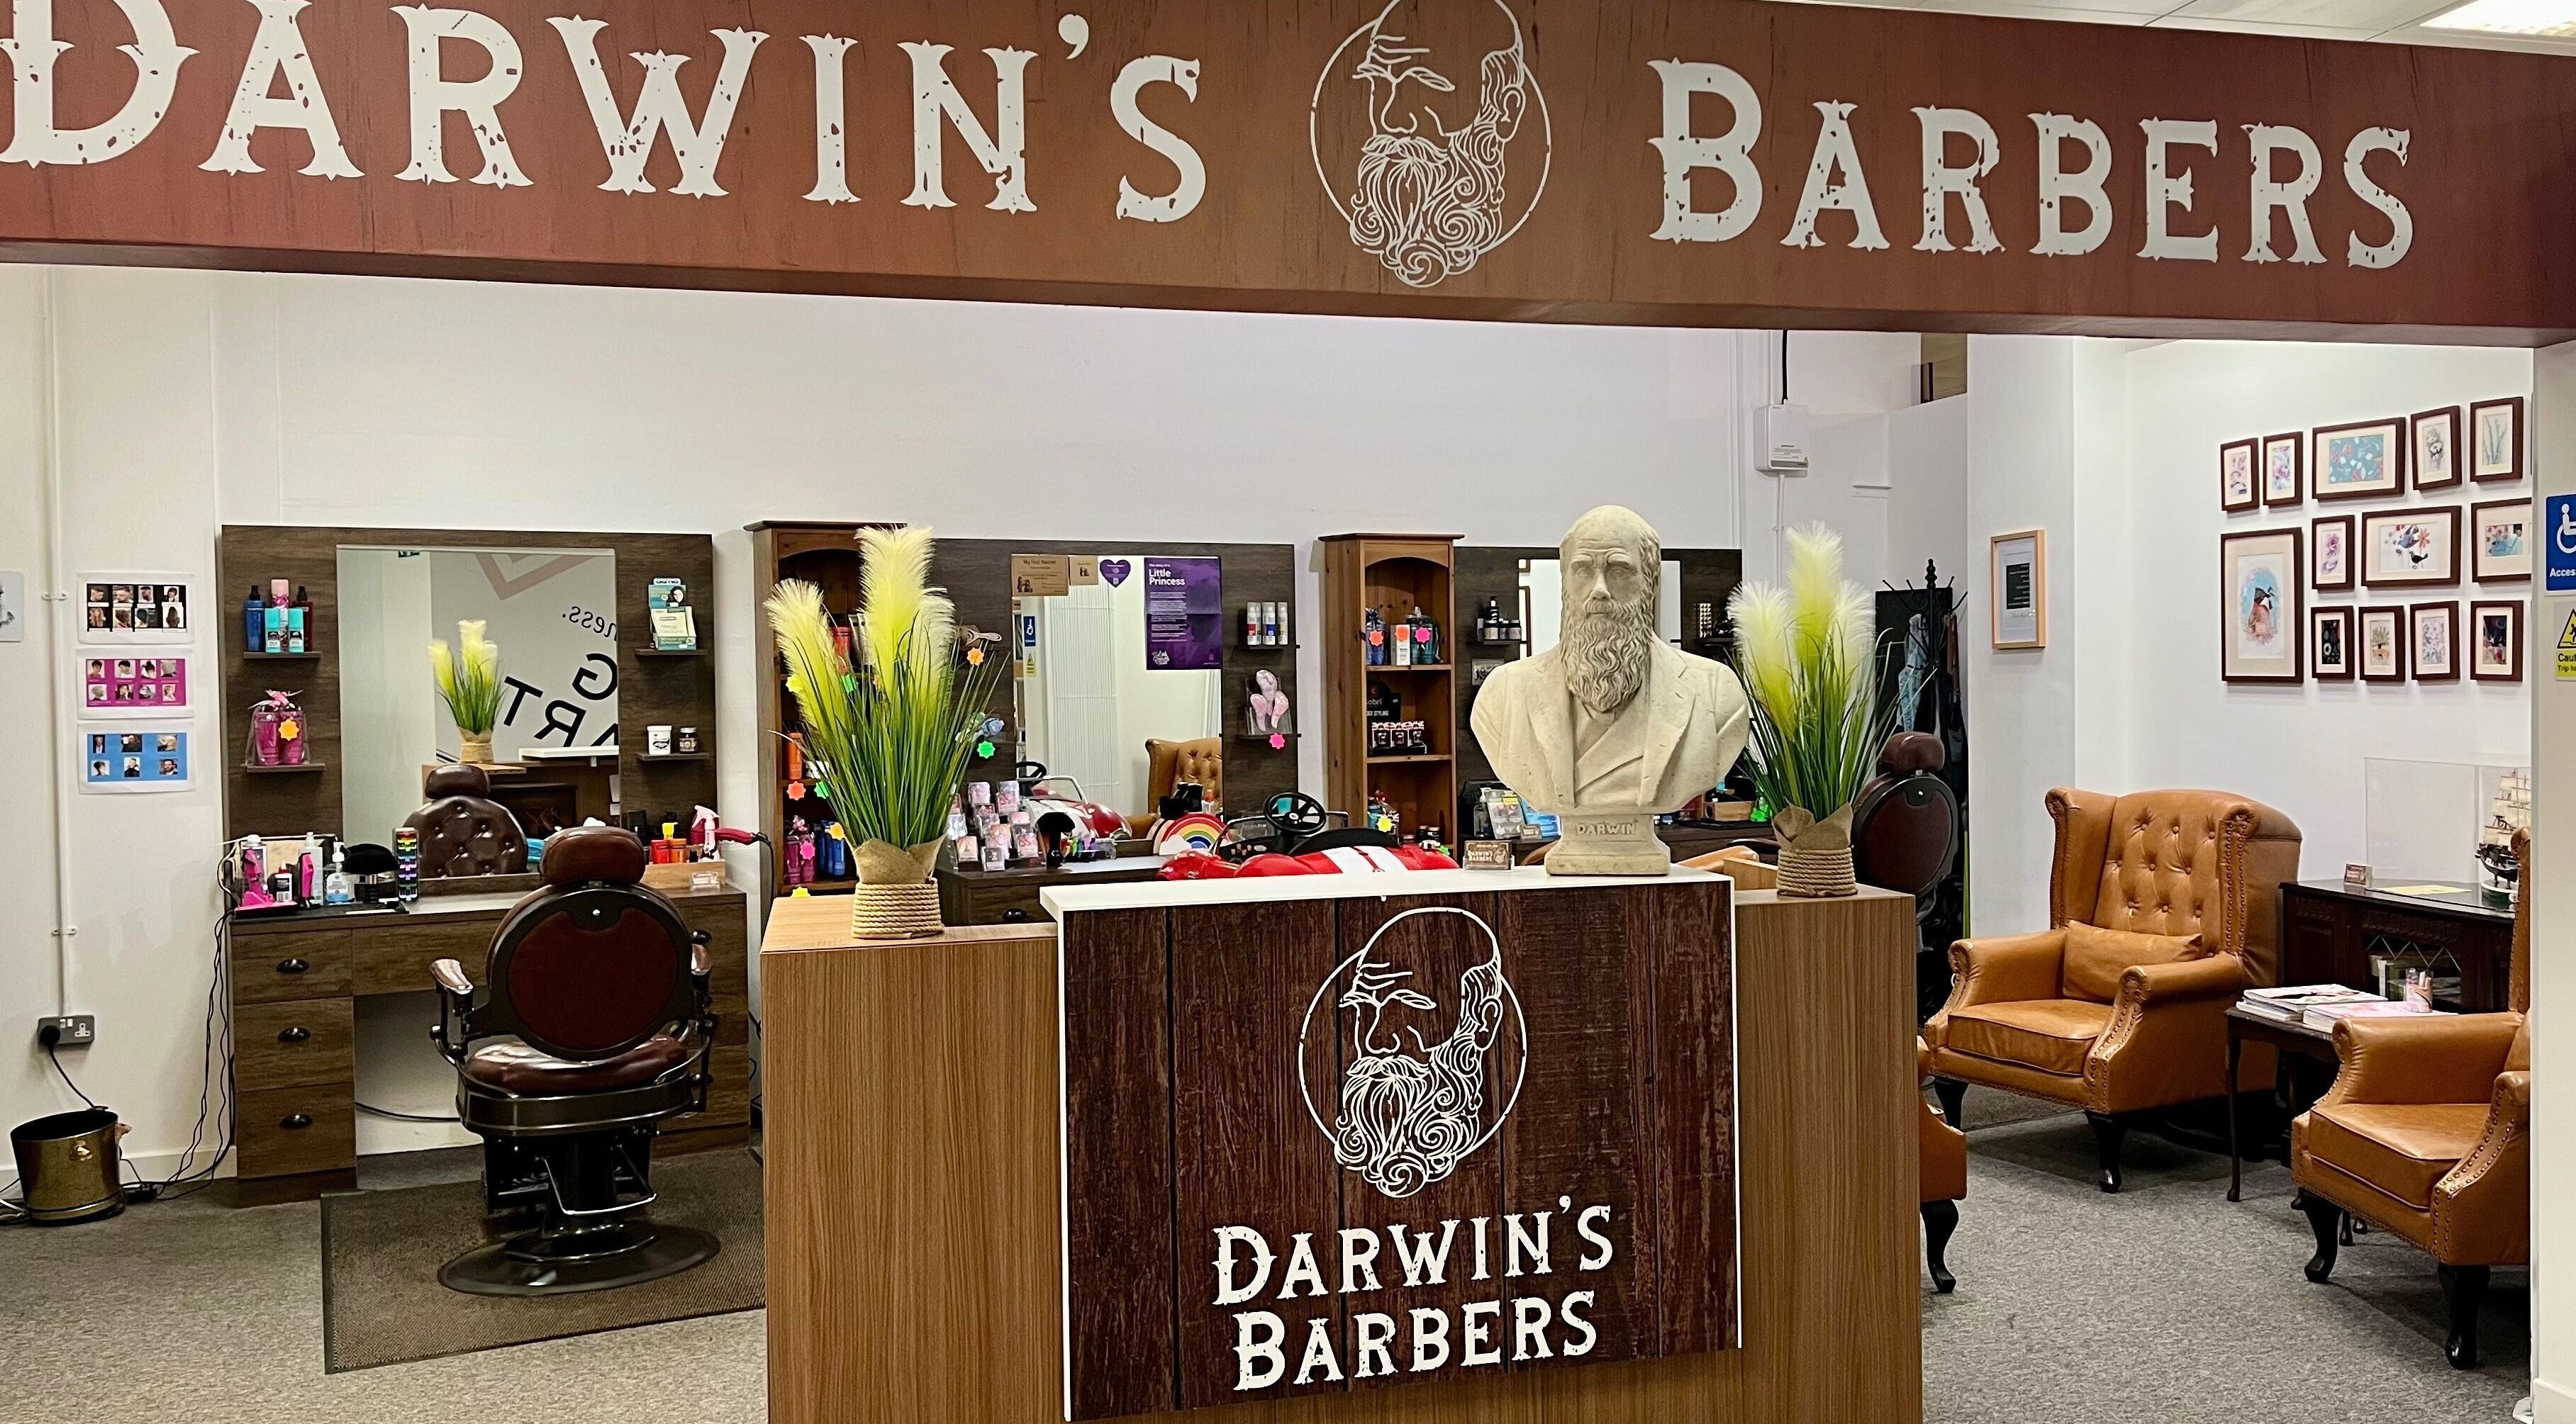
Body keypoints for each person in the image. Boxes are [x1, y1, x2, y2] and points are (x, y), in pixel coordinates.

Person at [1471, 506, 1750, 870]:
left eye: (1619, 570)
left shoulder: (1715, 694)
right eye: (1583, 570)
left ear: (1649, 583)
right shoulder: (1503, 696)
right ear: (1564, 582)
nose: (1598, 591)